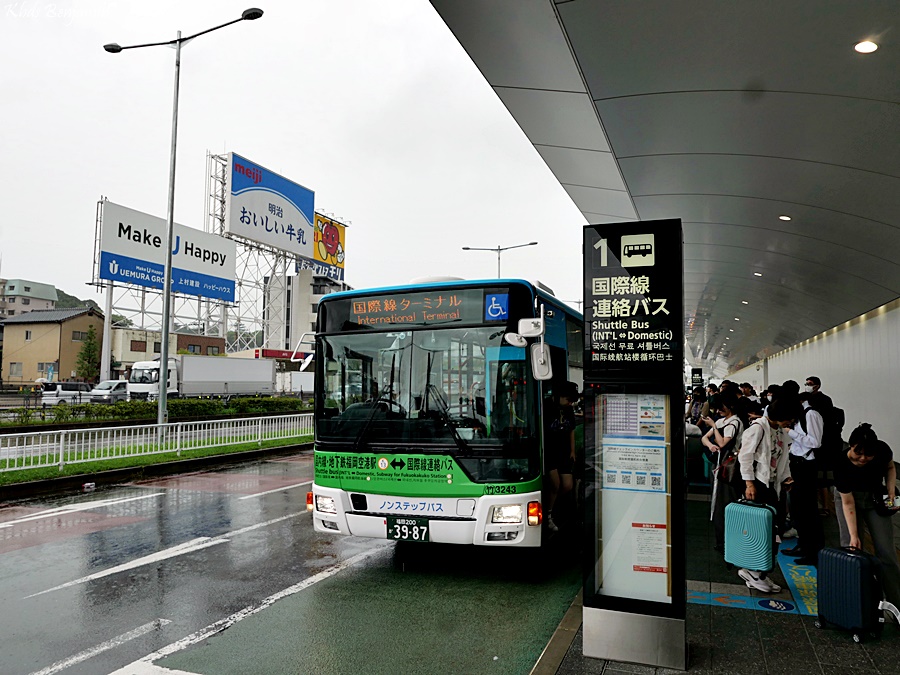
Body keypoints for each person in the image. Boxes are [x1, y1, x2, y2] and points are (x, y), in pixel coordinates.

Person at [833, 425, 900, 612]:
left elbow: (890, 467)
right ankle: (853, 601)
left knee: (887, 552)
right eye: (858, 453)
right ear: (851, 445)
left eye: (868, 455)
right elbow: (848, 504)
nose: (863, 458)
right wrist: (855, 535)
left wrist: (891, 490)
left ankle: (896, 602)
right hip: (847, 498)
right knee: (851, 548)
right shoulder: (840, 462)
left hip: (874, 498)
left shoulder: (883, 450)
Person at [735, 397, 796, 593]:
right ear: (779, 416)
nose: (792, 422)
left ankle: (759, 572)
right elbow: (745, 457)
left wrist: (786, 478)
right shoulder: (757, 429)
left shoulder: (779, 431)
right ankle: (754, 571)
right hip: (758, 486)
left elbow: (782, 459)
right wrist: (749, 483)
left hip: (772, 487)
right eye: (789, 418)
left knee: (772, 530)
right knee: (761, 530)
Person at [782, 393, 825, 565]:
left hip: (807, 466)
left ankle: (813, 551)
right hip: (797, 464)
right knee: (798, 508)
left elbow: (815, 442)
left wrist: (790, 432)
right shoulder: (801, 416)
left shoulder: (811, 415)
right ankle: (803, 545)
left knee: (808, 510)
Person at [701, 390, 744, 551]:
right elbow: (704, 438)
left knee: (727, 503)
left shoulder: (734, 423)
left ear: (730, 406)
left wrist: (713, 427)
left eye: (721, 408)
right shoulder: (723, 421)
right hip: (722, 467)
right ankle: (722, 541)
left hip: (730, 469)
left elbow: (723, 443)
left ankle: (728, 541)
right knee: (720, 503)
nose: (718, 411)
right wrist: (710, 444)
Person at [544, 381, 578, 532]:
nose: (570, 403)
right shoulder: (546, 407)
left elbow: (572, 430)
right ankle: (548, 516)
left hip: (564, 451)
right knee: (555, 484)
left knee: (568, 485)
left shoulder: (568, 409)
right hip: (550, 451)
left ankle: (553, 506)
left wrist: (572, 450)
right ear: (559, 396)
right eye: (568, 399)